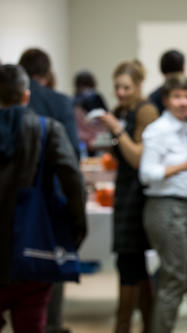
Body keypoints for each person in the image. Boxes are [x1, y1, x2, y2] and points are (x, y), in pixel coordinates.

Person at [0, 64, 86, 333]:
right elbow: (73, 180)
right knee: (33, 323)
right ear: (26, 96)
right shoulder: (48, 130)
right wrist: (75, 231)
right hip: (35, 246)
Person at [139, 75, 187, 333]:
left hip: (180, 207)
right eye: (178, 97)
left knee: (174, 280)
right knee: (174, 282)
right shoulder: (159, 130)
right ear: (166, 100)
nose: (184, 102)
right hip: (166, 208)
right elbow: (147, 173)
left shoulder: (184, 129)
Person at [18, 47, 81, 333]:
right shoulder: (58, 102)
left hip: (12, 197)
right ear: (47, 72)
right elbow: (71, 159)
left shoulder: (10, 105)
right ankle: (51, 323)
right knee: (48, 263)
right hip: (48, 194)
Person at [97, 60, 159, 333]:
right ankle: (146, 324)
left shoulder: (146, 111)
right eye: (117, 87)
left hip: (138, 195)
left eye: (126, 87)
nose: (120, 93)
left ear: (138, 86)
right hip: (123, 191)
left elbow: (138, 158)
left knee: (128, 261)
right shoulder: (121, 110)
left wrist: (116, 129)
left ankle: (123, 326)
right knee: (135, 266)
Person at [18, 48, 80, 158]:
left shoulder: (9, 100)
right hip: (49, 171)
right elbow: (72, 150)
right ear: (47, 73)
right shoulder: (61, 101)